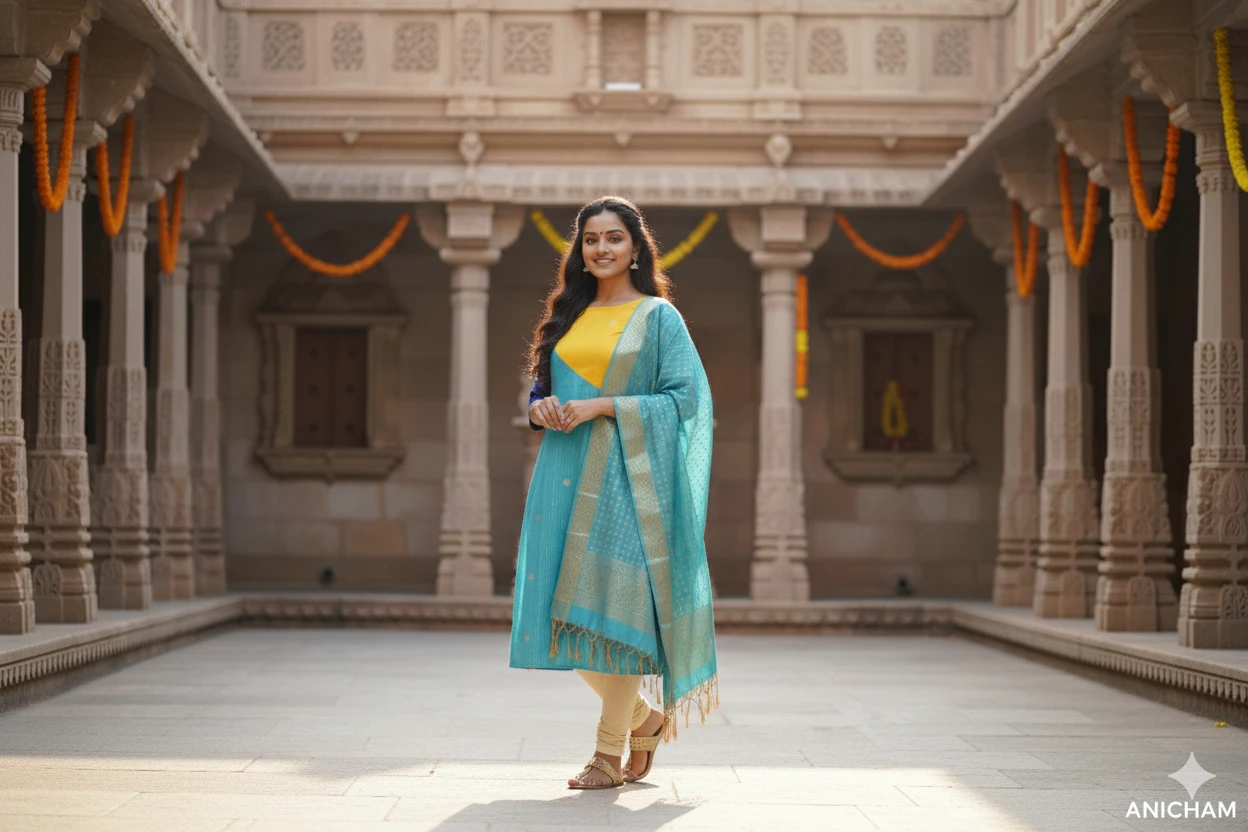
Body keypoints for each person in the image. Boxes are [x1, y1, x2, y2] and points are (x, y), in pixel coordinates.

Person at [509, 196, 718, 790]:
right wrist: (539, 409)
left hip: (626, 479)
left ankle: (607, 754)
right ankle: (645, 718)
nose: (601, 248)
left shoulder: (658, 317)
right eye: (591, 239)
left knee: (614, 618)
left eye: (614, 237)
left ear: (635, 248)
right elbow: (540, 389)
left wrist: (605, 405)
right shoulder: (567, 315)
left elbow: (686, 399)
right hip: (561, 472)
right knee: (557, 610)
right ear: (579, 250)